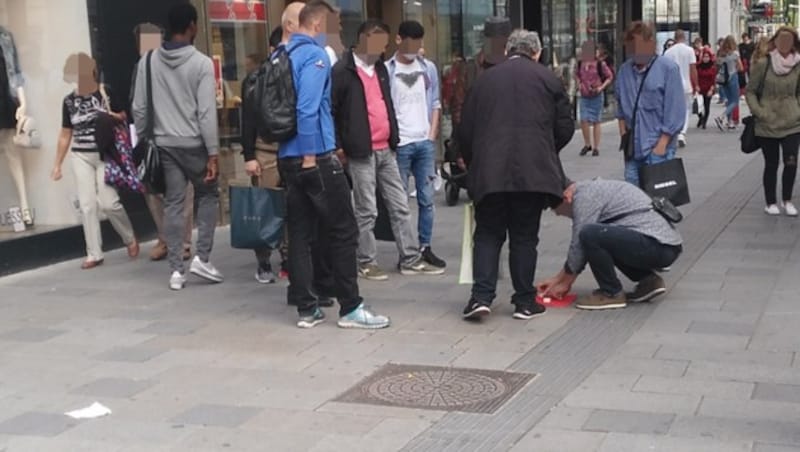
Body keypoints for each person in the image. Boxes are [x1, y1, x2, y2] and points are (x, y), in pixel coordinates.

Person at [277, 0, 390, 329]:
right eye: (334, 27)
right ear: (316, 25)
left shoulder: (281, 54)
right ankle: (351, 308)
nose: (337, 33)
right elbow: (307, 110)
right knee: (344, 229)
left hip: (287, 156)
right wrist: (312, 157)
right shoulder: (313, 56)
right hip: (315, 157)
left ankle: (307, 309)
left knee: (300, 233)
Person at [458, 29, 574, 321]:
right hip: (532, 172)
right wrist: (545, 150)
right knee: (524, 236)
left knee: (487, 233)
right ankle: (524, 301)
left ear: (508, 51)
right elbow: (565, 127)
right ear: (537, 52)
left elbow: (466, 129)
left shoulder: (484, 80)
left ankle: (480, 297)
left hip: (490, 171)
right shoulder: (548, 79)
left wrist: (475, 163)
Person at [332, 20, 444, 280]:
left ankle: (410, 258)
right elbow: (333, 110)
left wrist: (394, 133)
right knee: (367, 209)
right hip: (361, 150)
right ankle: (366, 261)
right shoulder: (343, 71)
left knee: (399, 205)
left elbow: (388, 103)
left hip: (387, 148)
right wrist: (339, 146)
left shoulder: (381, 69)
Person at [133, 3, 222, 290]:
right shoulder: (202, 64)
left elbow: (140, 108)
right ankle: (203, 257)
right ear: (193, 26)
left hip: (164, 144)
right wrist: (213, 152)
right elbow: (206, 113)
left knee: (173, 202)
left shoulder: (147, 61)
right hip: (194, 143)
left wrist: (149, 136)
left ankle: (176, 270)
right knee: (208, 194)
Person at [537, 179, 683, 310]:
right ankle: (649, 281)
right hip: (664, 245)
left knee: (590, 234)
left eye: (555, 209)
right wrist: (557, 279)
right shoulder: (592, 189)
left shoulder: (584, 198)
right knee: (603, 237)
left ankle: (611, 292)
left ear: (566, 197)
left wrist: (565, 283)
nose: (557, 214)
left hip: (657, 244)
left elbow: (580, 243)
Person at [51, 53, 138, 269]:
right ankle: (94, 253)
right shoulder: (68, 101)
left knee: (109, 203)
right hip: (80, 154)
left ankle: (129, 237)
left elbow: (123, 116)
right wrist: (57, 164)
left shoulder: (104, 92)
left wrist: (109, 115)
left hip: (105, 153)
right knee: (88, 205)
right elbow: (65, 133)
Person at [130, 22, 195, 262]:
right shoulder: (142, 66)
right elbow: (137, 104)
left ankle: (183, 241)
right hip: (153, 136)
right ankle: (167, 238)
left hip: (178, 134)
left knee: (180, 190)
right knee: (154, 188)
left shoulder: (175, 63)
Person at [386, 20, 446, 271]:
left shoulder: (427, 68)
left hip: (423, 142)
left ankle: (425, 246)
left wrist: (431, 135)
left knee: (426, 198)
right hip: (400, 144)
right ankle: (406, 252)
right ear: (399, 40)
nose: (416, 46)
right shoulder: (388, 69)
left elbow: (435, 103)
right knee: (400, 203)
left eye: (419, 42)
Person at [240, 22, 292, 284]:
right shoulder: (256, 78)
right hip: (265, 152)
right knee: (265, 208)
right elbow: (247, 119)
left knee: (291, 208)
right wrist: (249, 156)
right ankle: (263, 262)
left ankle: (288, 258)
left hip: (291, 149)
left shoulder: (296, 73)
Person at [615, 21, 685, 187]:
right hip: (633, 150)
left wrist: (661, 145)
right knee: (632, 203)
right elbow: (620, 109)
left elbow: (675, 111)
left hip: (658, 148)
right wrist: (624, 136)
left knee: (659, 202)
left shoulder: (668, 69)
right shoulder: (624, 71)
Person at [745, 26, 800, 217]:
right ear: (775, 41)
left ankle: (787, 200)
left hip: (792, 121)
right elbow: (750, 90)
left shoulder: (798, 65)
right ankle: (770, 202)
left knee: (791, 161)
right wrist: (760, 112)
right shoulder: (764, 63)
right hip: (767, 122)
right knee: (772, 163)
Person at [575, 41, 613, 156]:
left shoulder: (600, 64)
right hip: (584, 95)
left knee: (596, 120)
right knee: (583, 119)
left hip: (596, 95)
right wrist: (579, 84)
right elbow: (577, 75)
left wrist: (601, 87)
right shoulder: (580, 63)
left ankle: (596, 147)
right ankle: (587, 144)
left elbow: (609, 76)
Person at [663, 29, 698, 147]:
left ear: (674, 38)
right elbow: (693, 69)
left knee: (673, 109)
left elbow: (665, 71)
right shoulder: (689, 50)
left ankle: (674, 130)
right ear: (684, 37)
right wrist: (696, 84)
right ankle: (682, 132)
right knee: (686, 109)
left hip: (672, 85)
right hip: (686, 84)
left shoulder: (668, 52)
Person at [715, 35, 743, 131]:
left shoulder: (720, 54)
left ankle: (730, 122)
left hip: (723, 79)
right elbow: (740, 67)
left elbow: (716, 67)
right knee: (735, 101)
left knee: (729, 100)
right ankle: (721, 117)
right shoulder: (735, 54)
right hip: (733, 77)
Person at [696, 46, 717, 129]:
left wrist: (711, 89)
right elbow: (695, 76)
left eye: (707, 57)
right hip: (700, 88)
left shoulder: (712, 67)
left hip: (708, 88)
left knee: (706, 106)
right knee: (697, 107)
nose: (706, 58)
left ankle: (704, 122)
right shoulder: (699, 66)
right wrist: (696, 86)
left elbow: (713, 80)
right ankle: (701, 117)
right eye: (704, 57)